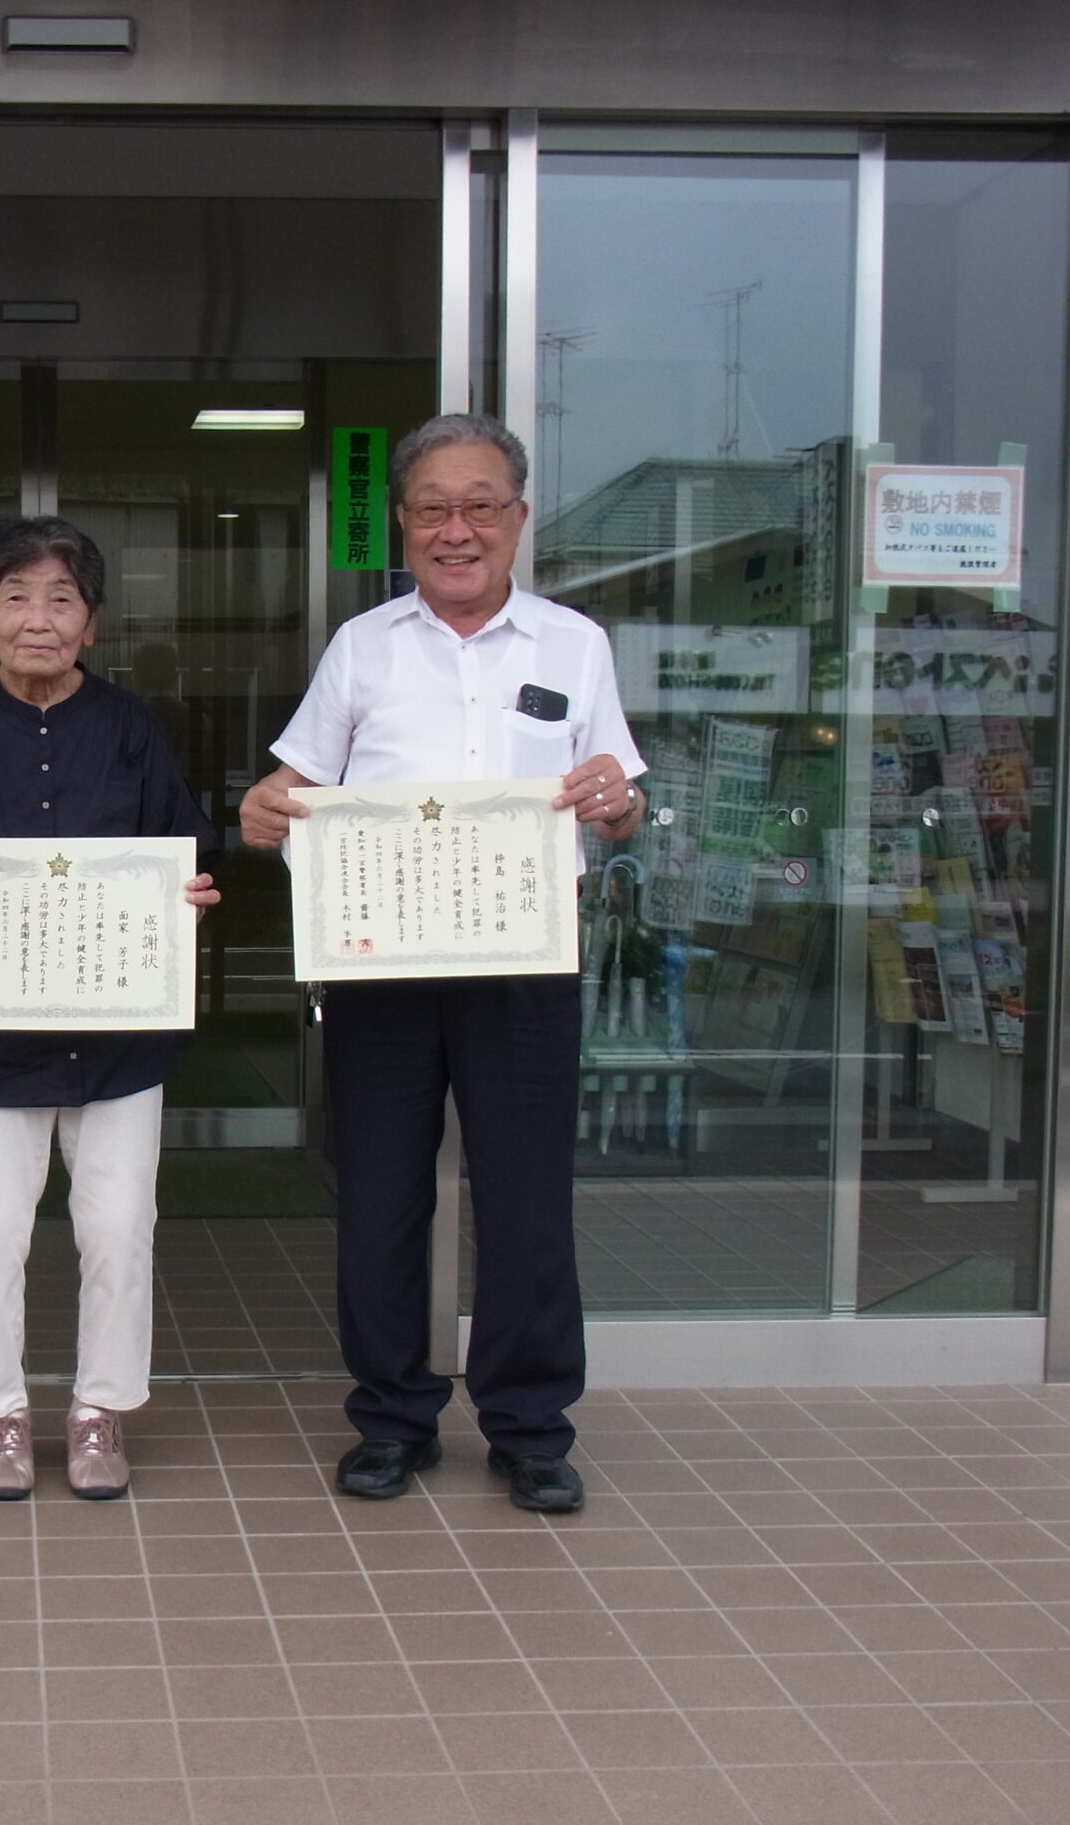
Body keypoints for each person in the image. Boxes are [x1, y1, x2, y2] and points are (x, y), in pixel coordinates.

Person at [238, 413, 644, 1514]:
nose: (455, 530)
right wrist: (264, 807)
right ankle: (391, 1418)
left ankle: (530, 1427)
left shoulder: (573, 644)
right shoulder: (363, 646)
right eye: (432, 509)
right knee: (378, 1197)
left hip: (524, 962)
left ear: (518, 519)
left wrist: (618, 803)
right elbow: (291, 787)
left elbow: (616, 800)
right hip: (383, 965)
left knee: (527, 1201)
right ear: (404, 524)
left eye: (478, 507)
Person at [0, 516, 219, 1502]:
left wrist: (194, 890)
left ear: (91, 622)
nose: (40, 619)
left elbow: (186, 848)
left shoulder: (131, 726)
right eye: (16, 598)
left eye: (62, 599)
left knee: (118, 1229)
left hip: (119, 1034)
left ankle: (99, 1413)